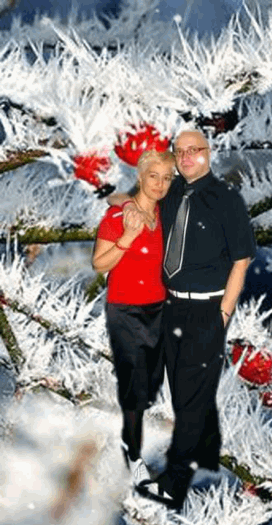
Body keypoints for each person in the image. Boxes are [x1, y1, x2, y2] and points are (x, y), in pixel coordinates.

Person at [110, 130, 256, 510]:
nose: (187, 156)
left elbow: (241, 261)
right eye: (180, 152)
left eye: (195, 150)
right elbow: (131, 200)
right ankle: (206, 450)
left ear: (208, 153)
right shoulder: (171, 191)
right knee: (184, 390)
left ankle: (175, 484)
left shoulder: (226, 200)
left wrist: (223, 313)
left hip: (207, 309)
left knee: (190, 397)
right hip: (171, 305)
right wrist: (126, 206)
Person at [92, 149, 175, 488]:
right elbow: (100, 264)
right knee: (134, 385)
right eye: (153, 176)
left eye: (167, 178)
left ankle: (142, 444)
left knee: (152, 385)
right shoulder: (117, 218)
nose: (160, 184)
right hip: (125, 308)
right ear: (140, 176)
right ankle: (133, 458)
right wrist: (127, 237)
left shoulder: (166, 219)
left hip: (159, 308)